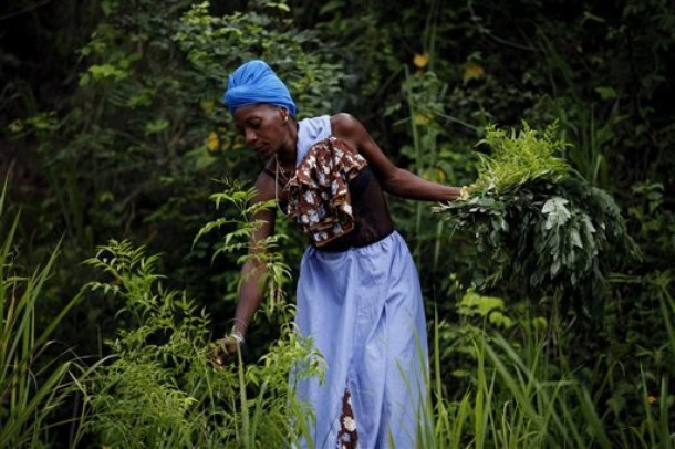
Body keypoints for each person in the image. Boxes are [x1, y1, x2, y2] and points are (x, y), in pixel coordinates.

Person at [212, 60, 463, 448]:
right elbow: (257, 259)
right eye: (241, 129)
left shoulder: (341, 129)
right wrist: (237, 333)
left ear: (283, 111)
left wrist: (466, 195)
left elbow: (393, 178)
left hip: (387, 269)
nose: (248, 136)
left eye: (254, 123)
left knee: (392, 381)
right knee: (329, 391)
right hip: (327, 287)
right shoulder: (267, 185)